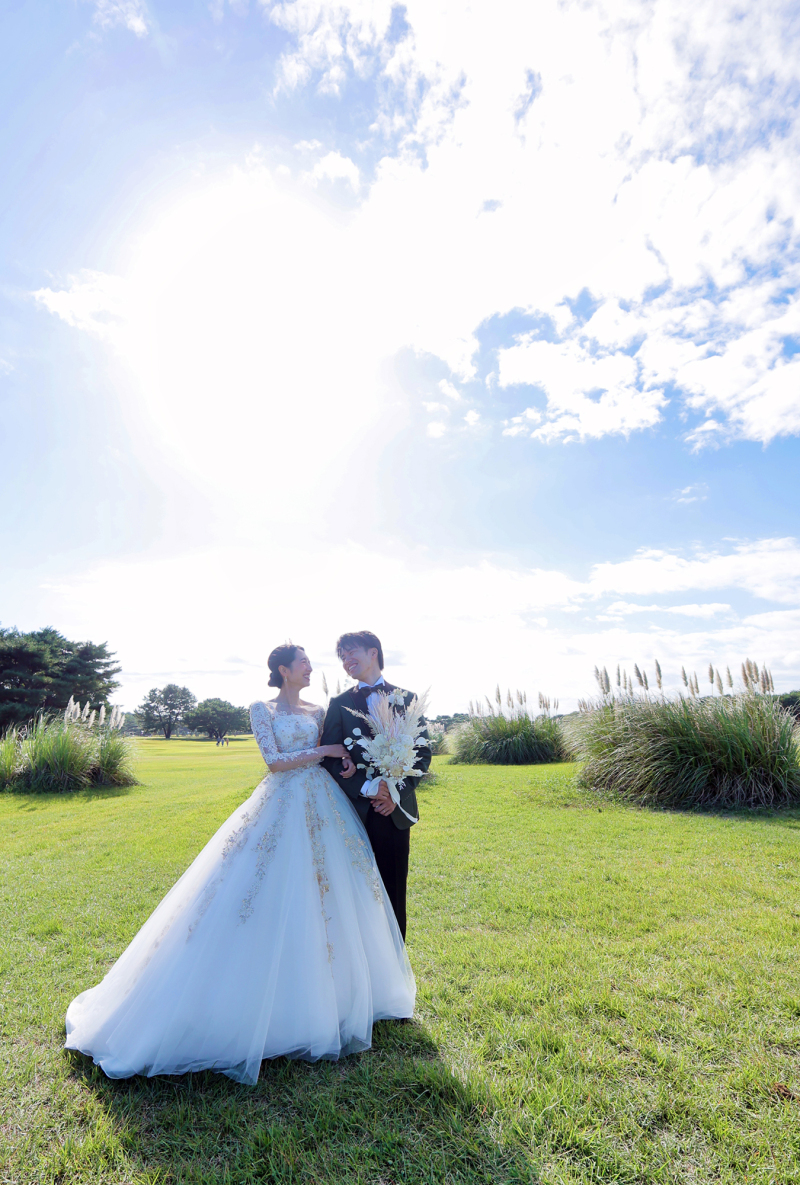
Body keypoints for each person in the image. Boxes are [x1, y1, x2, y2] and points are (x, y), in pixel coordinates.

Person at [64, 643, 415, 1085]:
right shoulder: (260, 708)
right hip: (280, 805)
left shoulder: (318, 707)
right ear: (284, 669)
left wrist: (342, 760)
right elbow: (272, 762)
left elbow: (338, 754)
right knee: (258, 891)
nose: (311, 666)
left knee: (329, 893)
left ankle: (336, 997)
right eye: (303, 661)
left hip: (324, 807)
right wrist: (326, 750)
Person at [320, 631, 431, 940]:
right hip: (354, 811)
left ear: (373, 652)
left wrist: (394, 793)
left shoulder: (407, 699)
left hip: (392, 813)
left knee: (394, 889)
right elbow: (328, 758)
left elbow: (423, 755)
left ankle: (396, 966)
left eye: (350, 652)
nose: (346, 660)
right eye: (341, 656)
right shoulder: (339, 704)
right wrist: (366, 788)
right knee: (355, 891)